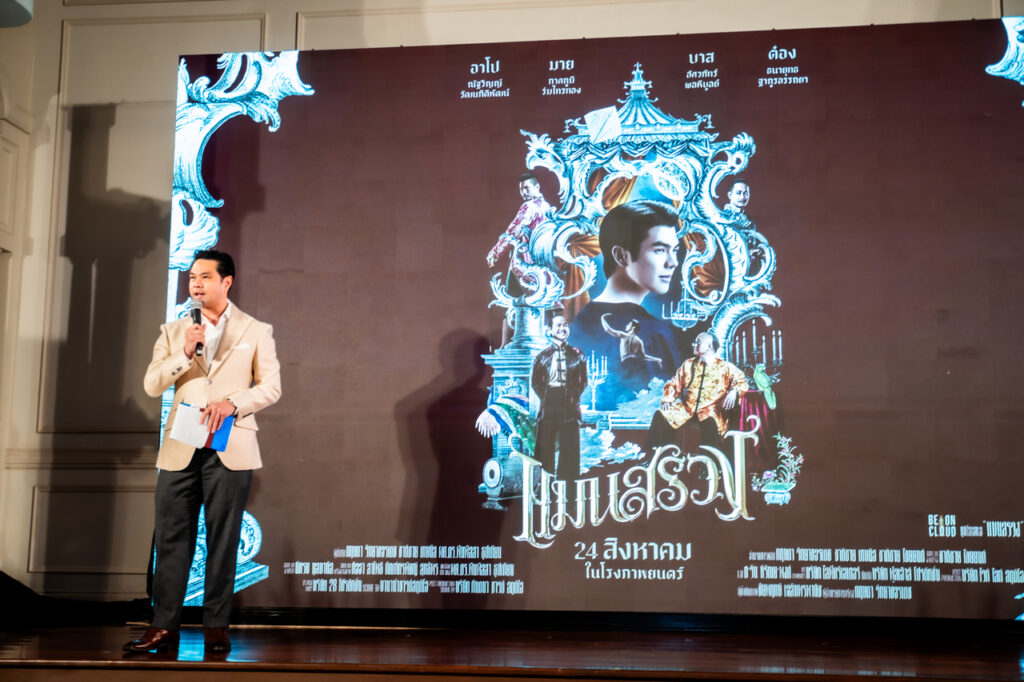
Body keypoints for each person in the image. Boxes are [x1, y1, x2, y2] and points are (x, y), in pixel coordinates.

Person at [124, 249, 281, 654]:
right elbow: (152, 385)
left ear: (227, 281)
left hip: (229, 444)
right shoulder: (175, 331)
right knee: (171, 537)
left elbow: (271, 387)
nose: (195, 284)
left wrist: (233, 403)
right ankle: (163, 626)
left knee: (223, 539)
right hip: (181, 444)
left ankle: (216, 625)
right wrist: (183, 354)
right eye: (192, 277)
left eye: (205, 277)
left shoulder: (255, 330)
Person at [570, 200, 693, 408]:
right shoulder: (655, 330)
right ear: (621, 256)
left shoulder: (582, 320)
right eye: (660, 250)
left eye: (674, 250)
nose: (673, 262)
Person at [647, 332, 748, 452]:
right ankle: (659, 455)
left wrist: (734, 391)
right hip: (686, 409)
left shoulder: (725, 367)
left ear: (709, 346)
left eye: (697, 342)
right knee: (661, 414)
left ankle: (708, 462)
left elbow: (742, 381)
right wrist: (668, 399)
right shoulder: (688, 364)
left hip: (710, 411)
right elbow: (675, 383)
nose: (693, 344)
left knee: (710, 426)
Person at [487, 172, 552, 346]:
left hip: (523, 262)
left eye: (526, 188)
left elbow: (513, 231)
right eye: (521, 189)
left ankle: (505, 345)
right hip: (542, 264)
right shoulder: (547, 206)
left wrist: (495, 252)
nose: (523, 192)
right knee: (539, 303)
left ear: (537, 187)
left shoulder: (529, 207)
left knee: (511, 302)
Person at [530, 314, 587, 480]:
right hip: (548, 402)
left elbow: (583, 381)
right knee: (544, 446)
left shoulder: (577, 354)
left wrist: (572, 397)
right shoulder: (542, 356)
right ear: (550, 330)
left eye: (565, 325)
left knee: (570, 446)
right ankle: (543, 485)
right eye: (558, 326)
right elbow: (535, 382)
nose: (562, 329)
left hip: (570, 403)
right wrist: (546, 396)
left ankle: (568, 488)